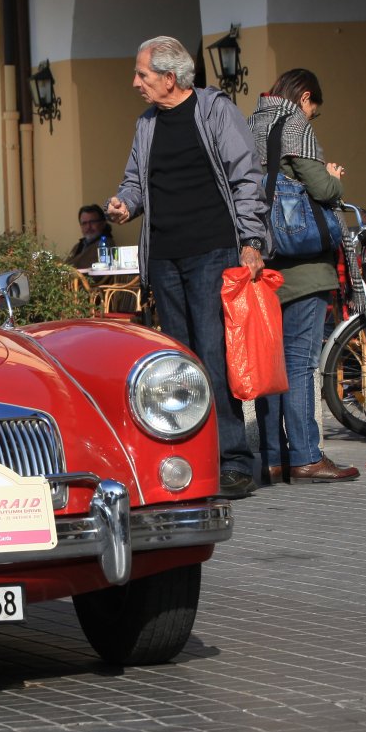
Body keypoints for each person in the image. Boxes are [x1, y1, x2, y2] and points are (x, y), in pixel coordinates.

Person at [106, 36, 268, 499]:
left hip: (211, 251)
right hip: (164, 258)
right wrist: (125, 203)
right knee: (178, 365)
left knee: (213, 356)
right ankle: (191, 460)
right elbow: (136, 181)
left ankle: (233, 460)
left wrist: (252, 241)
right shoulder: (146, 124)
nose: (135, 82)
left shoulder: (215, 111)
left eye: (142, 74)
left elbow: (246, 177)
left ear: (169, 78)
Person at [248, 69, 360, 484]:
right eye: (314, 110)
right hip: (306, 264)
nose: (312, 116)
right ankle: (306, 456)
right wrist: (333, 177)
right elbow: (323, 190)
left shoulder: (250, 124)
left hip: (263, 261)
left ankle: (272, 458)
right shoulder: (295, 123)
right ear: (305, 97)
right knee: (299, 363)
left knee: (270, 365)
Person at [66, 204, 113, 269]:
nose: (88, 227)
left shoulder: (106, 245)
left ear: (103, 223)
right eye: (84, 223)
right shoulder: (78, 246)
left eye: (92, 222)